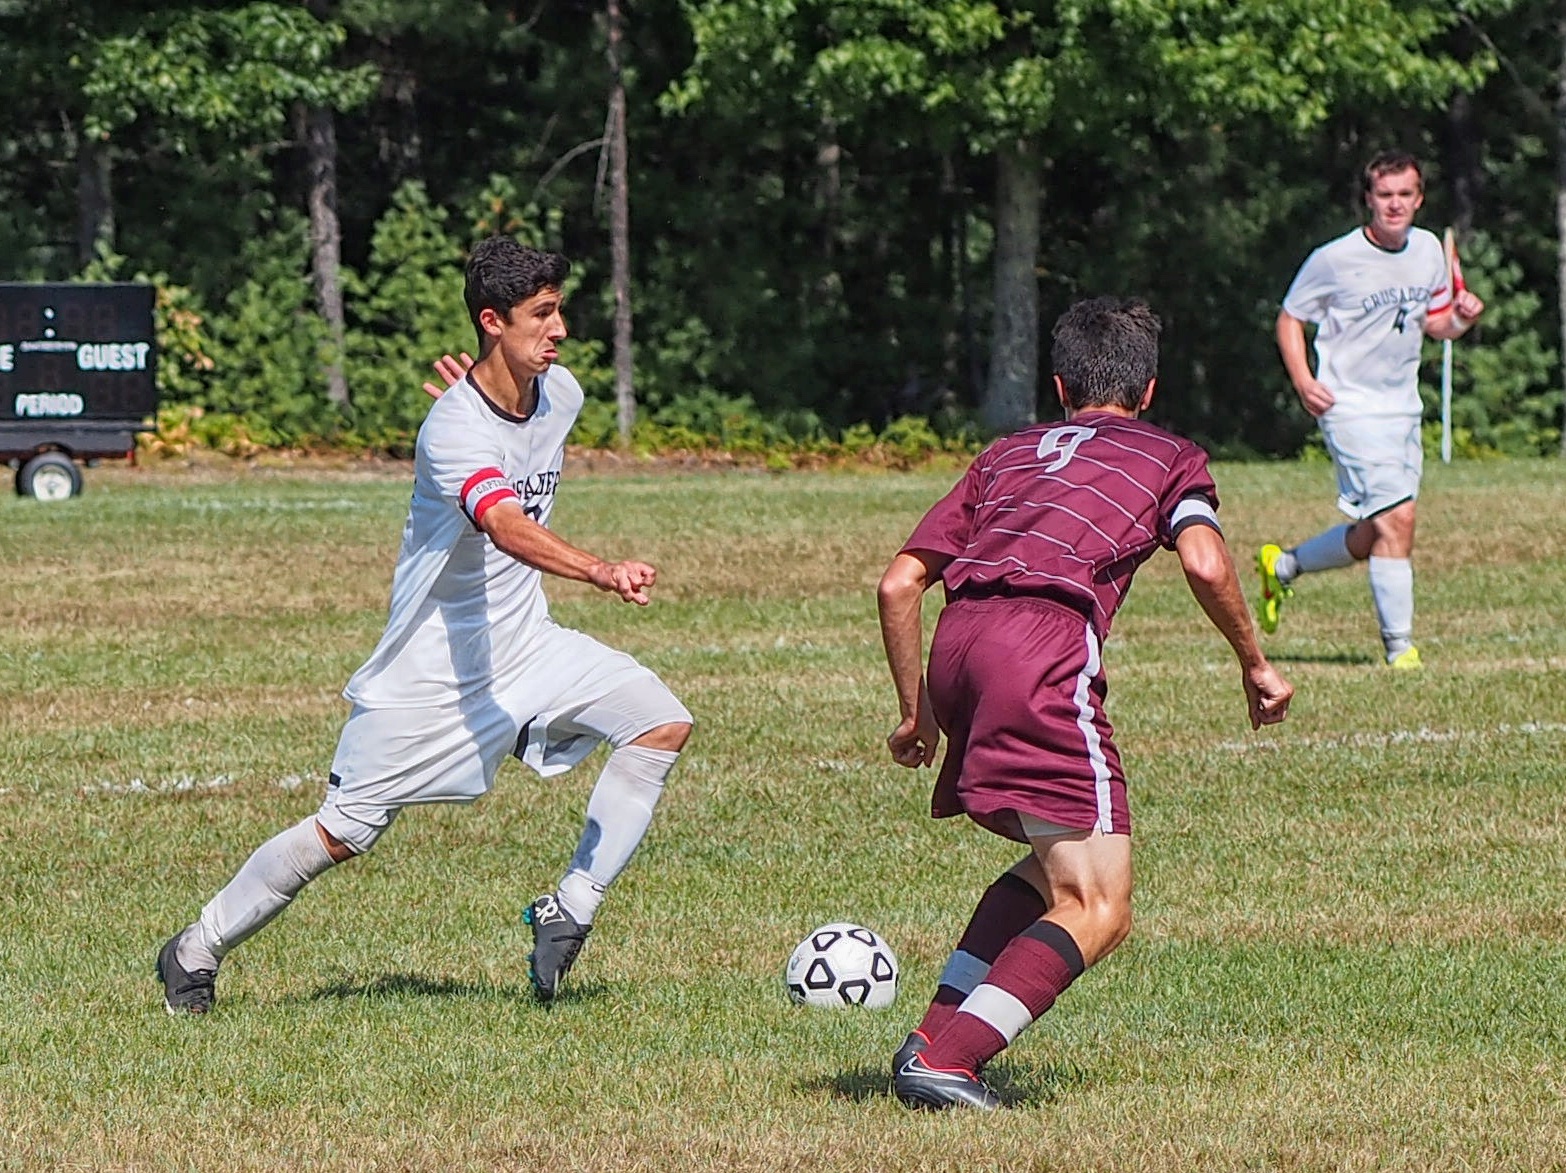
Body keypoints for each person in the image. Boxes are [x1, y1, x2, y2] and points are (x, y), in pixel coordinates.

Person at [157, 236, 693, 1013]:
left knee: (660, 721)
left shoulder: (562, 394)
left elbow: (511, 436)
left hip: (529, 646)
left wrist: (487, 384)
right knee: (344, 831)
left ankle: (570, 906)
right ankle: (194, 948)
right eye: (542, 314)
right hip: (432, 675)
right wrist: (601, 569)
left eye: (559, 311)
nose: (561, 329)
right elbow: (503, 523)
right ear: (492, 321)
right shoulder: (451, 431)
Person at [877, 296, 1293, 1110]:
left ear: (1061, 386)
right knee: (1100, 904)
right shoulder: (1170, 455)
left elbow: (900, 583)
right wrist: (1255, 662)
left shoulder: (1006, 453)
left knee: (1051, 867)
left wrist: (916, 711)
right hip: (1041, 651)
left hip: (958, 644)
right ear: (1149, 389)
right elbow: (1206, 563)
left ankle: (932, 1035)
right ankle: (951, 1059)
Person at [1258, 150, 1485, 668]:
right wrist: (1304, 381)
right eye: (1385, 195)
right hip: (1350, 406)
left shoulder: (1427, 249)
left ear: (1419, 199)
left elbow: (1437, 324)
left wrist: (1463, 318)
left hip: (1402, 408)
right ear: (1369, 199)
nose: (1395, 204)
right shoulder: (1334, 259)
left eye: (1405, 194)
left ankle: (1284, 566)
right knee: (1398, 518)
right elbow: (1290, 318)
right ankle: (1400, 649)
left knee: (1373, 533)